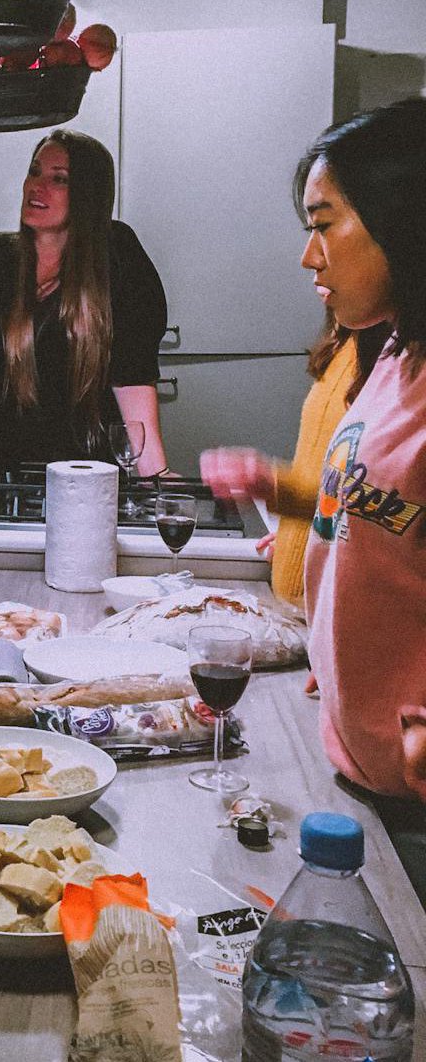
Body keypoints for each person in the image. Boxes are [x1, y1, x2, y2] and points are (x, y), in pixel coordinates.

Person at [292, 97, 426, 806]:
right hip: (358, 771)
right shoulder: (399, 353)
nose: (308, 254)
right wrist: (340, 656)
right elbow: (380, 522)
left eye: (324, 225)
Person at [0, 129, 171, 476]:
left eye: (59, 179)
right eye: (34, 172)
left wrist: (155, 476)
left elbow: (132, 377)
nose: (37, 186)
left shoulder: (118, 257)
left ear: (87, 196)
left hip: (88, 474)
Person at [200, 313, 388, 607]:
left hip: (343, 616)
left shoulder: (403, 361)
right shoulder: (347, 338)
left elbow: (391, 511)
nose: (310, 264)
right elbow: (335, 478)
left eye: (334, 262)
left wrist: (275, 486)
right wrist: (295, 535)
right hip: (300, 609)